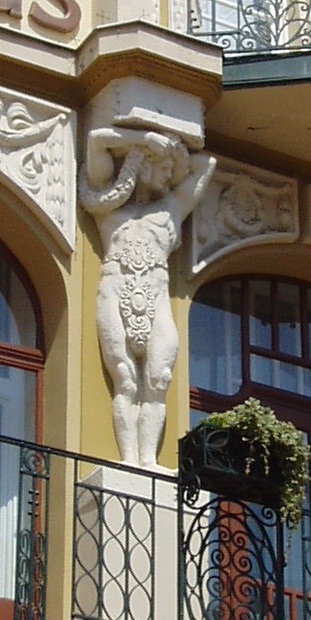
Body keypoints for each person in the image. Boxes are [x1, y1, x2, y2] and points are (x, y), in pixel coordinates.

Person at [81, 128, 216, 466]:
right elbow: (96, 140)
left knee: (159, 380)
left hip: (156, 296)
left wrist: (172, 149)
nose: (170, 174)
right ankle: (130, 461)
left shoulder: (171, 209)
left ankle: (149, 462)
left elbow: (205, 165)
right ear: (144, 164)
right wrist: (141, 139)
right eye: (165, 167)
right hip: (115, 292)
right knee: (126, 379)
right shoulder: (107, 203)